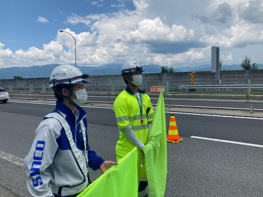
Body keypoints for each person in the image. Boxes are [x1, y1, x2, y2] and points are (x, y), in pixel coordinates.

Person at [24, 65, 117, 197]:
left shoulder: (79, 118)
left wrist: (99, 162)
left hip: (84, 190)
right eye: (79, 87)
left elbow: (82, 150)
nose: (83, 90)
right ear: (65, 92)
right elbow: (34, 170)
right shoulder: (51, 126)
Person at [113, 60, 154, 197]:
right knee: (128, 185)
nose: (139, 75)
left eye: (140, 72)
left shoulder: (145, 97)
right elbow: (125, 127)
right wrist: (140, 145)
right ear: (127, 77)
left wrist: (150, 142)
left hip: (144, 150)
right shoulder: (121, 99)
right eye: (135, 73)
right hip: (128, 151)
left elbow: (150, 121)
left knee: (143, 182)